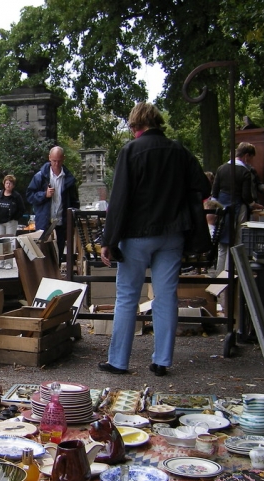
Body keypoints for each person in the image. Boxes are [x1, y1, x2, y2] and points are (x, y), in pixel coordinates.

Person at [98, 102, 211, 377]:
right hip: (172, 233)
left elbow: (120, 198)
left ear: (136, 124)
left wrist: (109, 240)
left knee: (127, 297)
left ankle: (119, 361)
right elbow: (203, 187)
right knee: (166, 296)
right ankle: (162, 361)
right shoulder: (180, 151)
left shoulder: (131, 151)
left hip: (137, 234)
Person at [211, 142, 264, 274]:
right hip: (237, 207)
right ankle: (229, 273)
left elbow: (214, 192)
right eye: (251, 158)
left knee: (222, 243)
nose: (251, 162)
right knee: (235, 241)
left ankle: (219, 274)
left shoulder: (221, 168)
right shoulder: (244, 172)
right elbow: (246, 196)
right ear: (246, 156)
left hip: (222, 208)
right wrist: (254, 204)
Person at [26, 146, 79, 263]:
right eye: (54, 160)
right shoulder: (39, 176)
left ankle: (56, 276)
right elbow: (30, 196)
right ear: (49, 158)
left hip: (61, 222)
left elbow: (75, 201)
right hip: (44, 222)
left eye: (59, 160)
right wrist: (44, 195)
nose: (56, 163)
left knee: (59, 254)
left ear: (63, 159)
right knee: (43, 254)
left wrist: (72, 220)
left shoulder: (69, 179)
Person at [0, 174, 25, 269]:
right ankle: (1, 261)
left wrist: (15, 218)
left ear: (13, 185)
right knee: (0, 241)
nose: (8, 185)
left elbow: (22, 209)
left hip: (11, 222)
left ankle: (9, 262)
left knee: (10, 241)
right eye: (7, 183)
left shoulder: (16, 196)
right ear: (4, 184)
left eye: (10, 183)